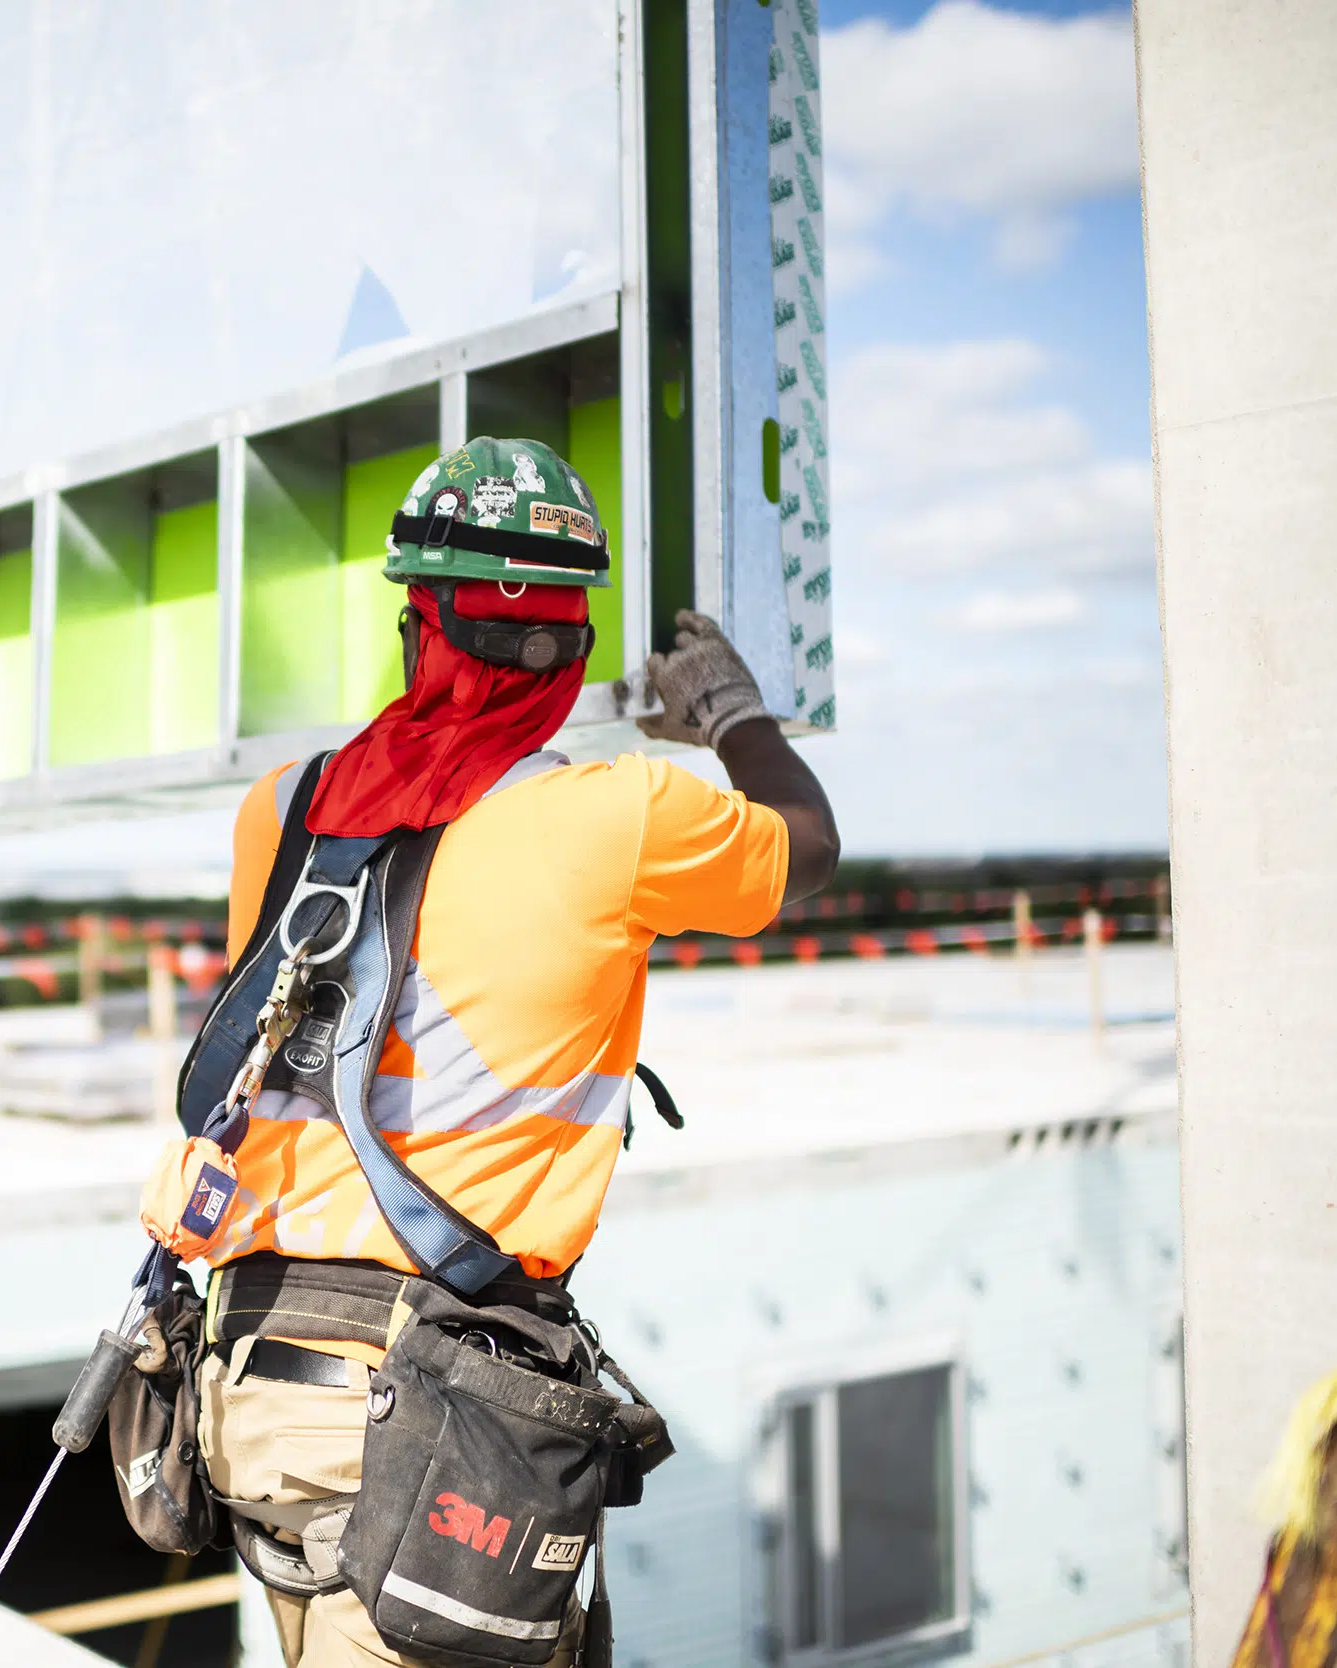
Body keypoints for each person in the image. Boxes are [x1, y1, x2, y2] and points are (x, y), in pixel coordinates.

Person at [148, 437, 838, 1667]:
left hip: (249, 1385)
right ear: (569, 652)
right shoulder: (616, 815)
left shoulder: (283, 811)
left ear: (417, 629)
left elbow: (425, 830)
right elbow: (806, 844)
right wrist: (730, 715)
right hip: (423, 1408)